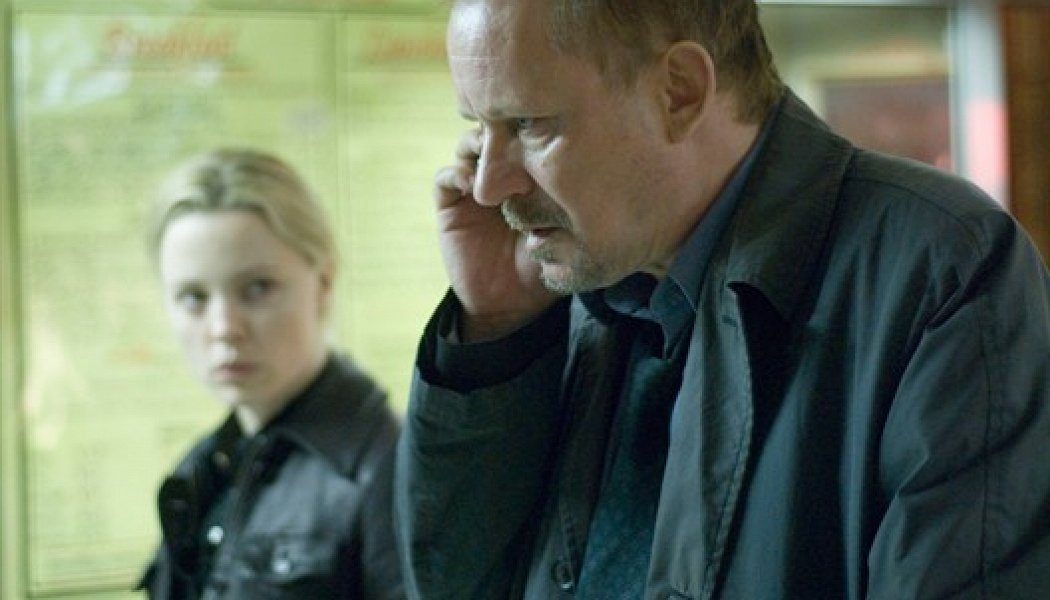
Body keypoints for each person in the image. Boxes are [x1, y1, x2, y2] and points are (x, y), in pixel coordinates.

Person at [394, 1, 1050, 598]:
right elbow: (451, 582)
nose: (487, 187)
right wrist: (496, 336)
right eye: (479, 128)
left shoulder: (942, 268)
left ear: (678, 91)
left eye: (528, 124)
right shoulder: (565, 280)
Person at [138, 148, 404, 599]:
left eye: (257, 288)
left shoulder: (387, 469)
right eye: (193, 297)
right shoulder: (207, 466)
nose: (224, 329)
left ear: (323, 283)